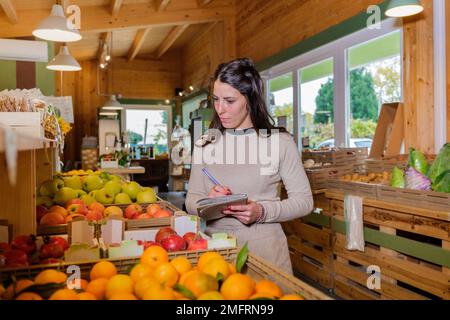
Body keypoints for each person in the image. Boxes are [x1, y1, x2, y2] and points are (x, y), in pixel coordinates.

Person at [185, 58, 313, 274]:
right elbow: (191, 201)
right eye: (216, 99)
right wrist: (208, 202)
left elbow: (304, 202)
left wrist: (262, 211)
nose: (220, 109)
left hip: (265, 253)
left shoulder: (279, 142)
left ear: (250, 99)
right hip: (215, 253)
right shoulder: (205, 143)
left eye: (229, 101)